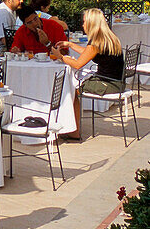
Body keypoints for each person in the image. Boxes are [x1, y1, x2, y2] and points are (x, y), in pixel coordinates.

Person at [48, 8, 124, 139]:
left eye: (84, 22)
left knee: (72, 90)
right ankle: (72, 127)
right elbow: (88, 52)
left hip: (108, 84)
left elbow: (78, 64)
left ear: (90, 23)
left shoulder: (96, 43)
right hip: (117, 82)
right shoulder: (109, 37)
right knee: (75, 86)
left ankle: (74, 132)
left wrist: (60, 56)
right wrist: (71, 45)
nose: (82, 25)